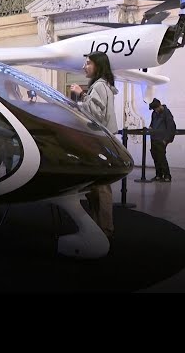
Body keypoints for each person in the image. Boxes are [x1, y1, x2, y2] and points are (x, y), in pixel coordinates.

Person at [69, 51, 118, 240]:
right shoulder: (104, 85)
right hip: (103, 141)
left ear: (98, 65)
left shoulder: (98, 86)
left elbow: (96, 116)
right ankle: (100, 225)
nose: (84, 66)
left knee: (101, 187)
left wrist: (81, 94)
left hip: (100, 142)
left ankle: (104, 228)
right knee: (98, 187)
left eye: (88, 63)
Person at [148, 98, 177, 182]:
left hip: (161, 139)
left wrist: (166, 140)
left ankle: (167, 175)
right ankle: (159, 174)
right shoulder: (154, 113)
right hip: (154, 138)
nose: (155, 111)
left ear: (160, 106)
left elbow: (171, 127)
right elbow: (152, 123)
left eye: (156, 109)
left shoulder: (167, 113)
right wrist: (150, 128)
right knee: (155, 156)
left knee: (161, 157)